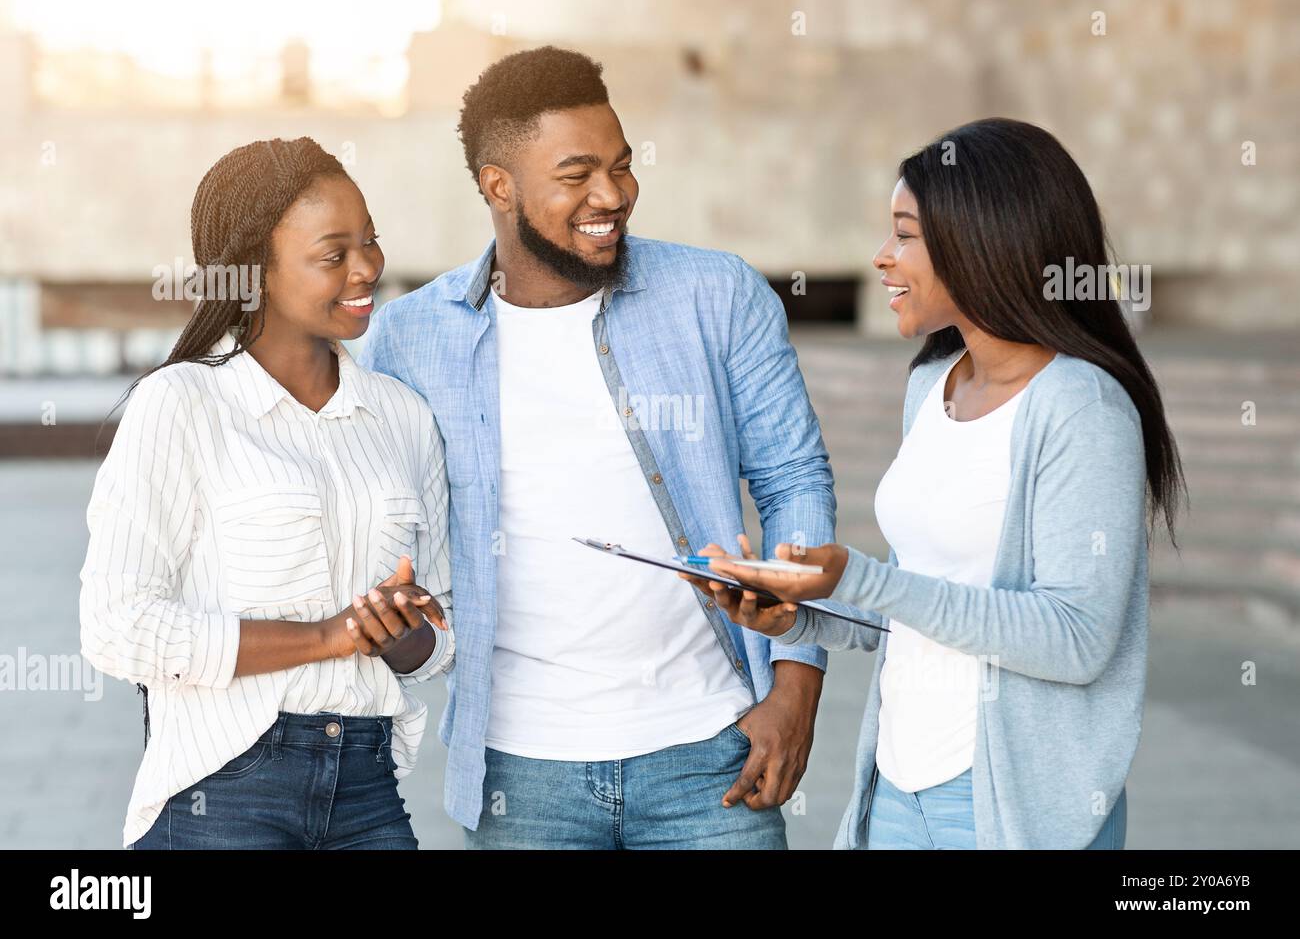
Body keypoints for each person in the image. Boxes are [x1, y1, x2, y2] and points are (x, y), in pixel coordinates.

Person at [360, 46, 832, 849]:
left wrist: (797, 686)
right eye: (576, 174)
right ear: (497, 185)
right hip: (521, 773)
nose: (611, 195)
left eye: (620, 165)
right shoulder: (408, 339)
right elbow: (390, 541)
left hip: (712, 755)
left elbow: (794, 479)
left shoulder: (716, 297)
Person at [691, 118, 1186, 850]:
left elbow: (1077, 640)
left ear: (982, 239)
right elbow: (927, 600)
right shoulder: (931, 384)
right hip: (896, 787)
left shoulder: (1081, 408)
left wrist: (857, 577)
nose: (882, 258)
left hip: (1005, 805)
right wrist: (798, 615)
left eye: (904, 235)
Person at [80, 137, 455, 849]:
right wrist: (327, 636)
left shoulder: (403, 416)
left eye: (370, 241)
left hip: (369, 792)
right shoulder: (182, 404)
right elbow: (116, 625)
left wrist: (405, 637)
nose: (368, 267)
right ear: (255, 275)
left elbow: (444, 637)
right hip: (226, 794)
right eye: (333, 254)